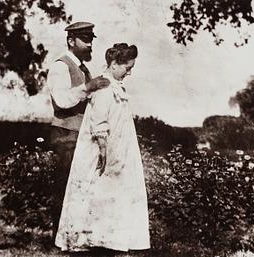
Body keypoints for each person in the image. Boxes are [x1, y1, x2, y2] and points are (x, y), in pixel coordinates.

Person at [55, 43, 150, 253]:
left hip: (118, 148)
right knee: (96, 192)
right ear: (115, 64)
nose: (129, 72)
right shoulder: (104, 87)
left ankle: (109, 239)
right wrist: (103, 149)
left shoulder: (115, 86)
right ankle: (91, 240)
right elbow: (99, 121)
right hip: (103, 149)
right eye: (127, 68)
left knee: (111, 193)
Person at [47, 21, 110, 241]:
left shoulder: (84, 69)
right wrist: (89, 87)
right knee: (65, 185)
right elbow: (62, 101)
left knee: (80, 186)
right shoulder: (60, 66)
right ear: (71, 41)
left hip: (80, 134)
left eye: (91, 40)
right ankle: (59, 238)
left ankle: (74, 237)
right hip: (65, 134)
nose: (89, 45)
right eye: (85, 40)